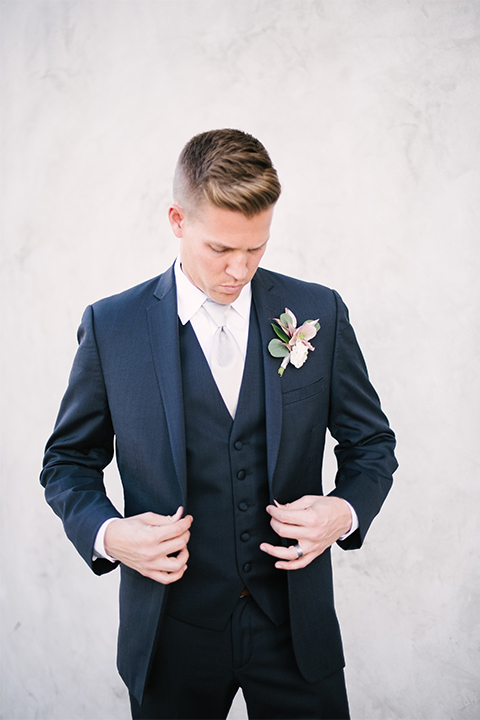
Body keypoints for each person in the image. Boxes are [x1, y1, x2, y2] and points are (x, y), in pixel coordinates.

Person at [41, 128, 397, 720]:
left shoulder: (318, 313)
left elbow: (372, 445)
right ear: (178, 220)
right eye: (221, 249)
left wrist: (344, 511)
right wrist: (110, 534)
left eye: (256, 249)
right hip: (170, 635)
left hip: (294, 630)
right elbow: (67, 464)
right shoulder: (113, 327)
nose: (240, 269)